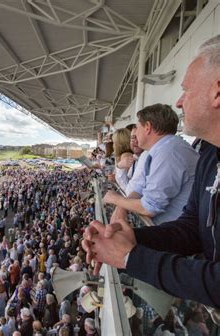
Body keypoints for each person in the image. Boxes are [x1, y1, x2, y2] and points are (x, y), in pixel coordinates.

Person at [82, 34, 220, 308]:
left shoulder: (174, 151)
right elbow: (192, 228)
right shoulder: (209, 153)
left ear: (217, 92)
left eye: (186, 90)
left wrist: (131, 258)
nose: (179, 101)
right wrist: (133, 237)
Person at [104, 103, 199, 225]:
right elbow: (139, 186)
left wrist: (115, 199)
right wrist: (121, 206)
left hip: (174, 236)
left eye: (137, 128)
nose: (135, 135)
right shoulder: (159, 150)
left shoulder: (169, 152)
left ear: (147, 127)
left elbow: (149, 207)